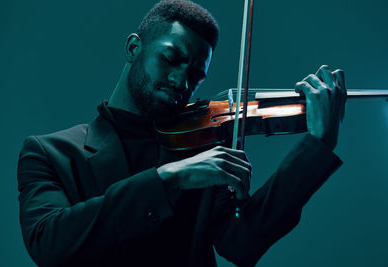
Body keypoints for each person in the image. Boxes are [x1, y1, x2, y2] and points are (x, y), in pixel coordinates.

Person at [17, 0, 346, 266]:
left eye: (195, 74)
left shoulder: (200, 150)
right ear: (134, 48)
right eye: (171, 58)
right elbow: (49, 242)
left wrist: (318, 143)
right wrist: (168, 178)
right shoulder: (49, 153)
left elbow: (242, 243)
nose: (181, 80)